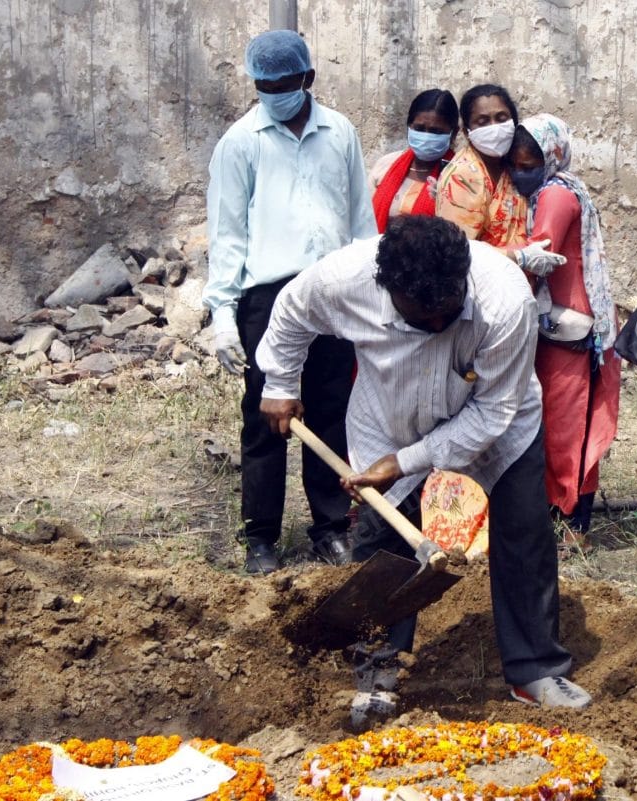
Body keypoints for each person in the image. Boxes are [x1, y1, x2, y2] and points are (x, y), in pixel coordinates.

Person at [255, 215, 592, 710]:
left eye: (447, 314)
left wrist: (408, 462)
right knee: (381, 550)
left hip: (496, 424)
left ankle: (535, 671)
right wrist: (280, 384)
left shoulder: (505, 300)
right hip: (388, 419)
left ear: (464, 281)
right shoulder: (342, 280)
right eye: (421, 317)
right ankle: (377, 674)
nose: (437, 326)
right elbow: (289, 312)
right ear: (385, 287)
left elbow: (494, 411)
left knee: (523, 535)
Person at [203, 29, 377, 575]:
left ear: (308, 79)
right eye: (264, 85)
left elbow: (360, 220)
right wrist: (223, 314)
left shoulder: (339, 132)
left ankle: (329, 528)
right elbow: (227, 232)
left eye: (284, 83)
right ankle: (261, 537)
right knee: (266, 417)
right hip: (269, 297)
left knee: (331, 411)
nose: (274, 92)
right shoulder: (241, 142)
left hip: (332, 289)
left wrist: (370, 289)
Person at [507, 114, 620, 540]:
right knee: (571, 423)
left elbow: (541, 254)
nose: (521, 171)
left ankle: (568, 518)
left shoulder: (553, 196)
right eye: (515, 163)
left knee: (562, 426)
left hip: (564, 331)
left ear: (551, 156)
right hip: (573, 326)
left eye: (529, 162)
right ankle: (571, 513)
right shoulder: (566, 188)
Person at [435, 84, 529, 249]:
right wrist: (518, 257)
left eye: (501, 118)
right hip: (480, 273)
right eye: (483, 122)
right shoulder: (462, 176)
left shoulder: (514, 165)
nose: (494, 128)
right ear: (467, 132)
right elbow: (457, 250)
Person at [370, 89, 459, 232]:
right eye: (419, 128)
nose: (426, 136)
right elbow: (365, 218)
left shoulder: (460, 175)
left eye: (435, 131)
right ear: (409, 126)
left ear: (453, 133)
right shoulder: (386, 165)